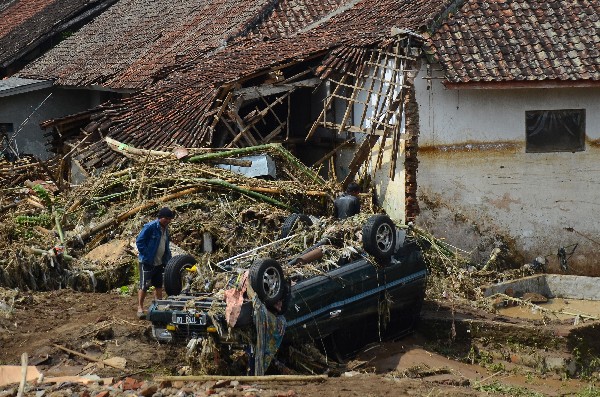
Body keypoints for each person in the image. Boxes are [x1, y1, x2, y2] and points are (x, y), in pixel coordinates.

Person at [136, 207, 174, 319]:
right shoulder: (150, 227)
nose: (168, 220)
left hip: (159, 262)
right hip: (147, 262)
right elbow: (139, 241)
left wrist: (168, 258)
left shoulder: (165, 229)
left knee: (158, 285)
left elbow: (166, 245)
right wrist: (147, 255)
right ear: (160, 217)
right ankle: (140, 308)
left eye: (169, 219)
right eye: (166, 218)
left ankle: (159, 307)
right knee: (144, 285)